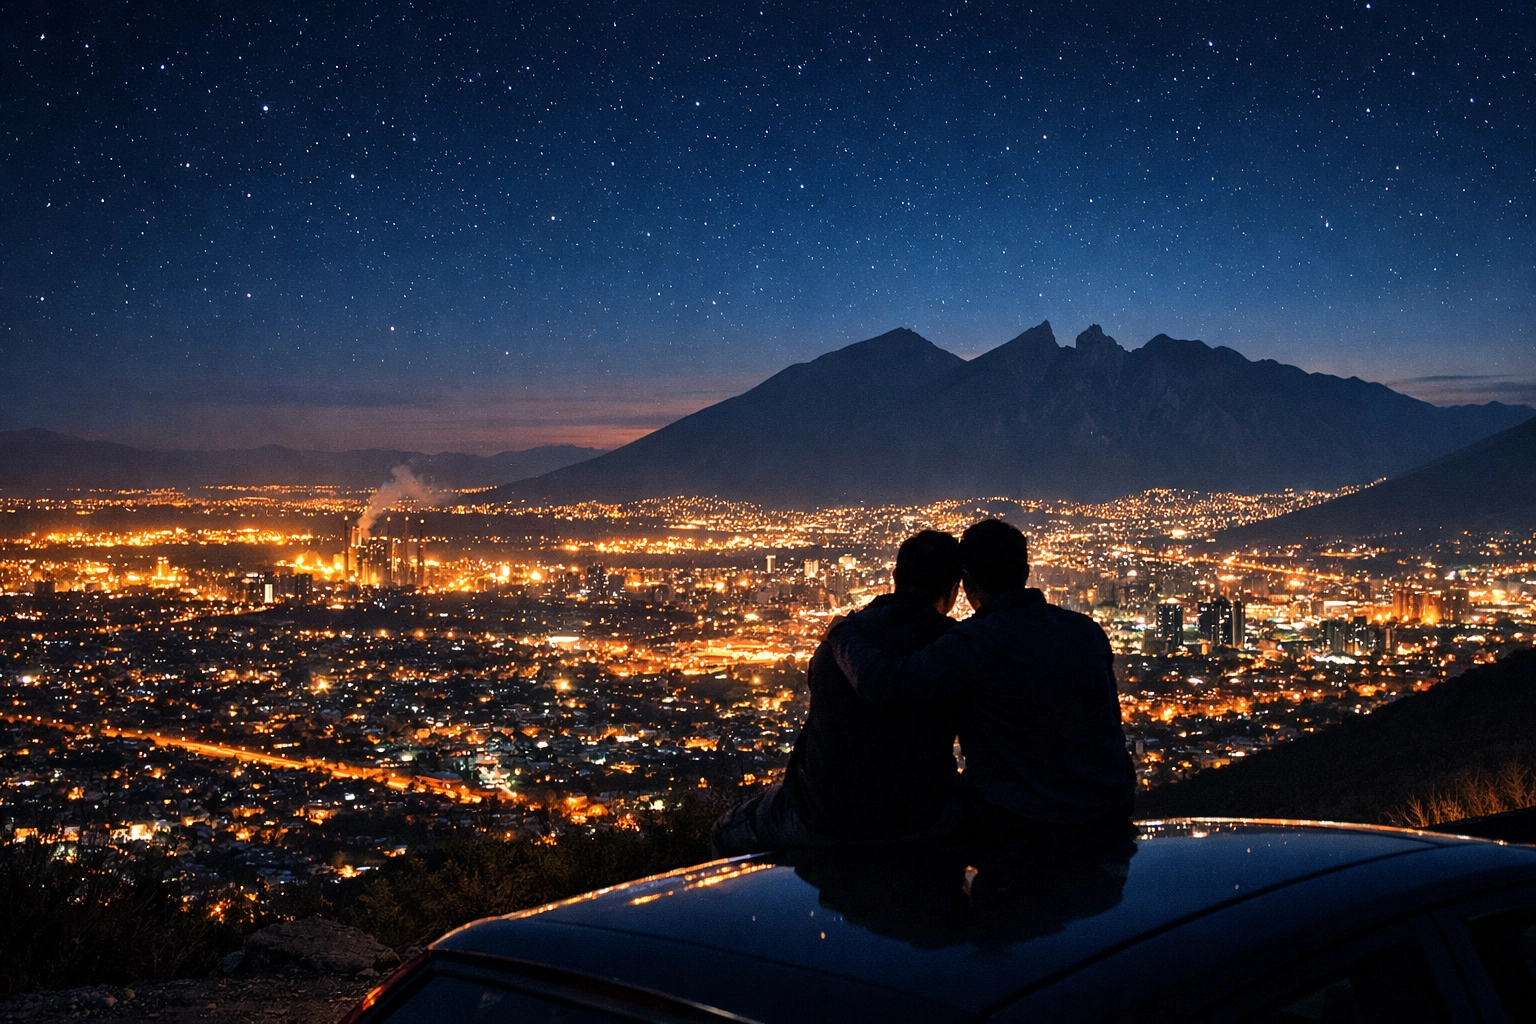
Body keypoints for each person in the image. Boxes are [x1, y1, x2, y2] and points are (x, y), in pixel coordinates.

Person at [827, 519, 1134, 849]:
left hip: (1021, 821)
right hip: (1110, 813)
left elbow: (882, 684)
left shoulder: (975, 642)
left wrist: (841, 632)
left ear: (967, 582)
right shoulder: (1085, 631)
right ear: (1025, 570)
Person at [711, 530, 965, 856]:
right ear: (953, 591)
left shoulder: (839, 640)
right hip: (922, 816)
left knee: (725, 832)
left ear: (895, 576)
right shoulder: (956, 647)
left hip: (824, 816)